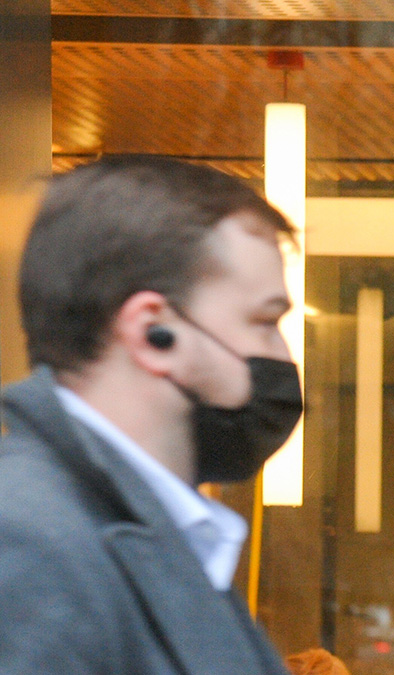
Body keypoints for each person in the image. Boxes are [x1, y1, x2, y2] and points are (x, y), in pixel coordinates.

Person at [0, 155, 303, 673]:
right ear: (152, 333)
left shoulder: (163, 536)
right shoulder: (28, 544)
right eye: (264, 322)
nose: (282, 356)